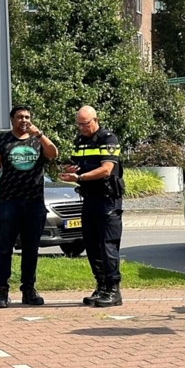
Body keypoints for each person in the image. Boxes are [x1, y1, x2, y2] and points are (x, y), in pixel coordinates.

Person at [0, 105, 58, 308]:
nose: (24, 120)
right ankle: (1, 292)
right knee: (4, 249)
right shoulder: (2, 141)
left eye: (27, 117)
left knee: (31, 249)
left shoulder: (37, 139)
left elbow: (53, 154)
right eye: (20, 117)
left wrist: (40, 135)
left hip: (34, 203)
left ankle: (29, 290)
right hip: (9, 202)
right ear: (12, 120)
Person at [59, 106, 125, 308]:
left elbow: (106, 170)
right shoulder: (80, 141)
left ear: (95, 120)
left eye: (85, 124)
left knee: (108, 245)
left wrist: (78, 177)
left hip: (107, 199)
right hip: (89, 198)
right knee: (91, 245)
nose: (82, 128)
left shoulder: (108, 139)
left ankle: (113, 290)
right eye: (79, 124)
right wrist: (70, 169)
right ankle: (101, 285)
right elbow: (74, 163)